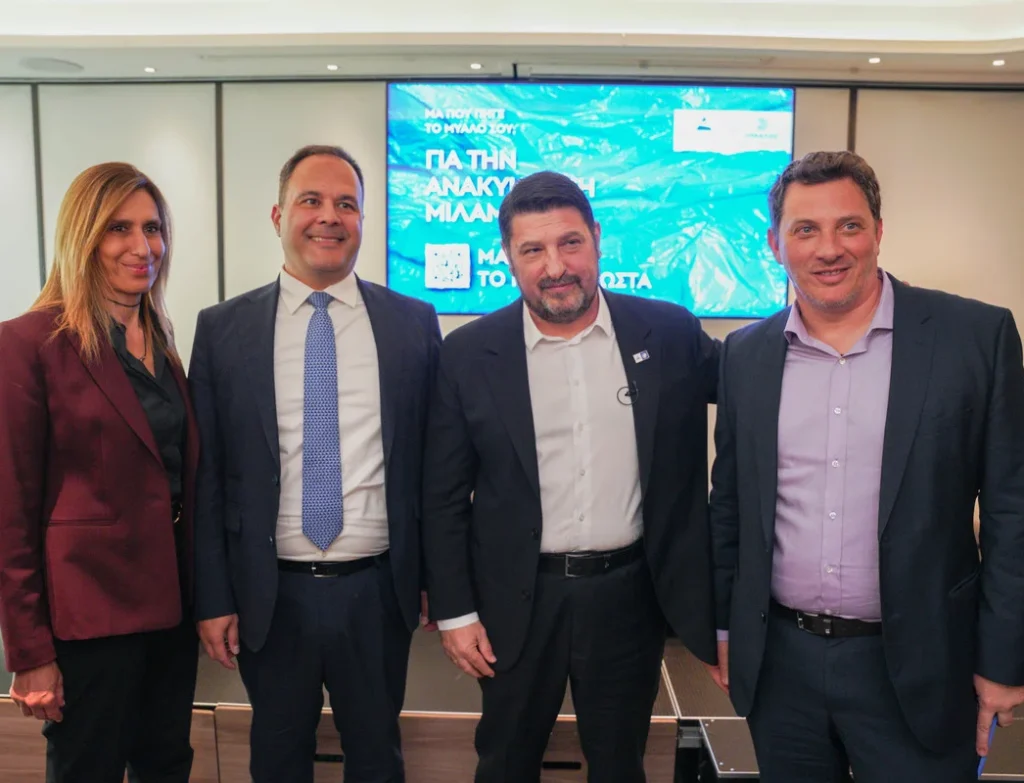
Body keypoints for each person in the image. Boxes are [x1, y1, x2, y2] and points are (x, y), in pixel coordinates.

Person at [709, 150, 1024, 781]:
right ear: (775, 245)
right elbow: (731, 507)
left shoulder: (975, 338)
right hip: (782, 670)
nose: (829, 249)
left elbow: (1013, 512)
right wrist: (724, 631)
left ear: (878, 231)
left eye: (848, 225)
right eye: (805, 229)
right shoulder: (745, 354)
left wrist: (1003, 661)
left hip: (923, 665)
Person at [422, 171, 720, 782]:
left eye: (570, 243)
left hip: (628, 596)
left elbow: (760, 385)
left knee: (620, 764)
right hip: (513, 599)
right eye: (533, 249)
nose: (555, 267)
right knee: (504, 763)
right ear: (509, 258)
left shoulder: (667, 333)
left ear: (597, 239)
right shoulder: (468, 353)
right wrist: (455, 613)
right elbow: (443, 497)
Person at [189, 144, 441, 783]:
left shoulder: (413, 324)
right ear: (278, 216)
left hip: (377, 592)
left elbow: (433, 468)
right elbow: (206, 479)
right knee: (277, 759)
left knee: (378, 757)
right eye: (311, 200)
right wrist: (213, 598)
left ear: (363, 222)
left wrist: (437, 579)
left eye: (346, 204)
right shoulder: (221, 330)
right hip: (269, 595)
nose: (330, 216)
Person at [0, 162, 200, 782]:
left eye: (152, 228)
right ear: (83, 237)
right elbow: (10, 513)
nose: (143, 247)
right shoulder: (27, 344)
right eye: (119, 228)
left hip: (171, 610)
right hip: (89, 620)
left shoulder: (161, 343)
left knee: (167, 766)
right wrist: (29, 651)